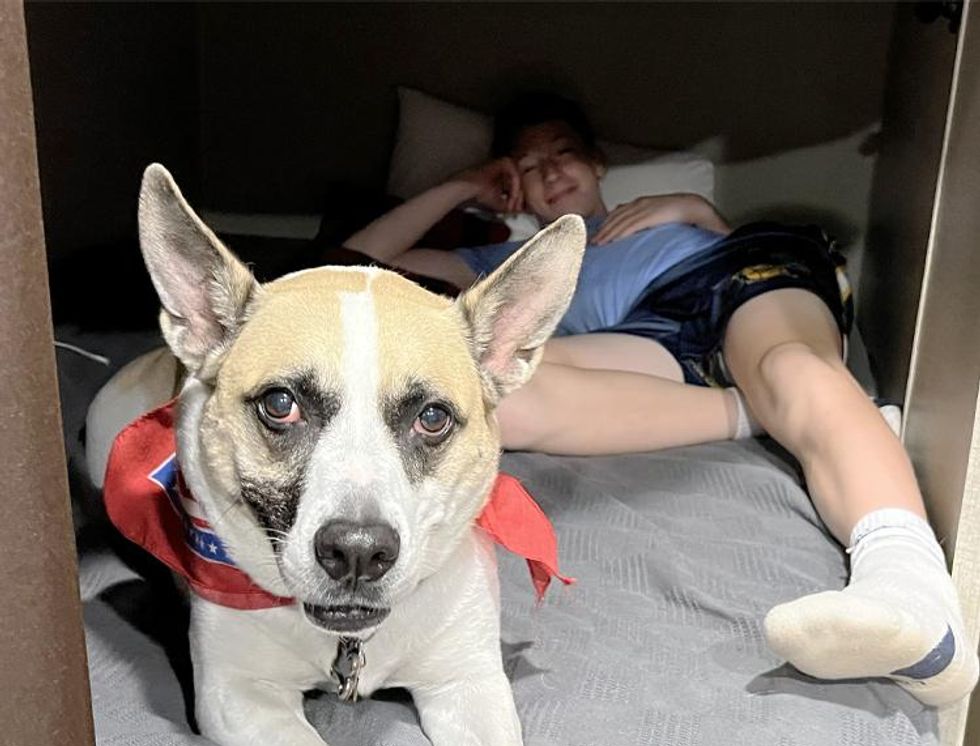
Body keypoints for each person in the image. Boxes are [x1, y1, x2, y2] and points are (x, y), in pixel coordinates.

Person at [343, 91, 977, 707]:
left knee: (786, 362)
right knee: (491, 401)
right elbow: (355, 263)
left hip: (730, 275)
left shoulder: (674, 217)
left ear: (596, 164)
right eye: (528, 167)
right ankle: (786, 413)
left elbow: (752, 268)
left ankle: (915, 604)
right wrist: (464, 185)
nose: (550, 171)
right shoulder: (506, 262)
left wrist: (695, 209)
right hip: (644, 335)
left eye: (562, 153)